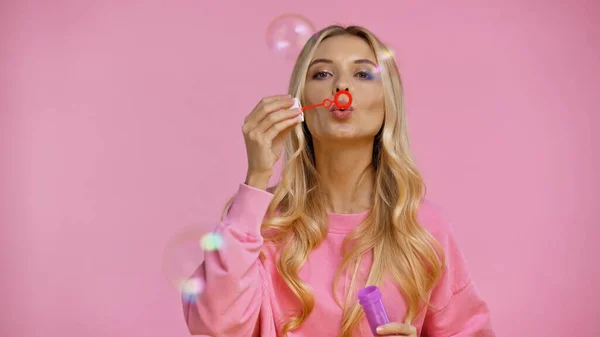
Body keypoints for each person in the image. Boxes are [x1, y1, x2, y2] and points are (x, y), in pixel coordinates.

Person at [181, 25, 495, 337]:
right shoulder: (259, 223)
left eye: (362, 74)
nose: (342, 84)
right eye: (322, 74)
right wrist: (257, 176)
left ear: (388, 104)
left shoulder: (423, 228)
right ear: (299, 103)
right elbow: (214, 327)